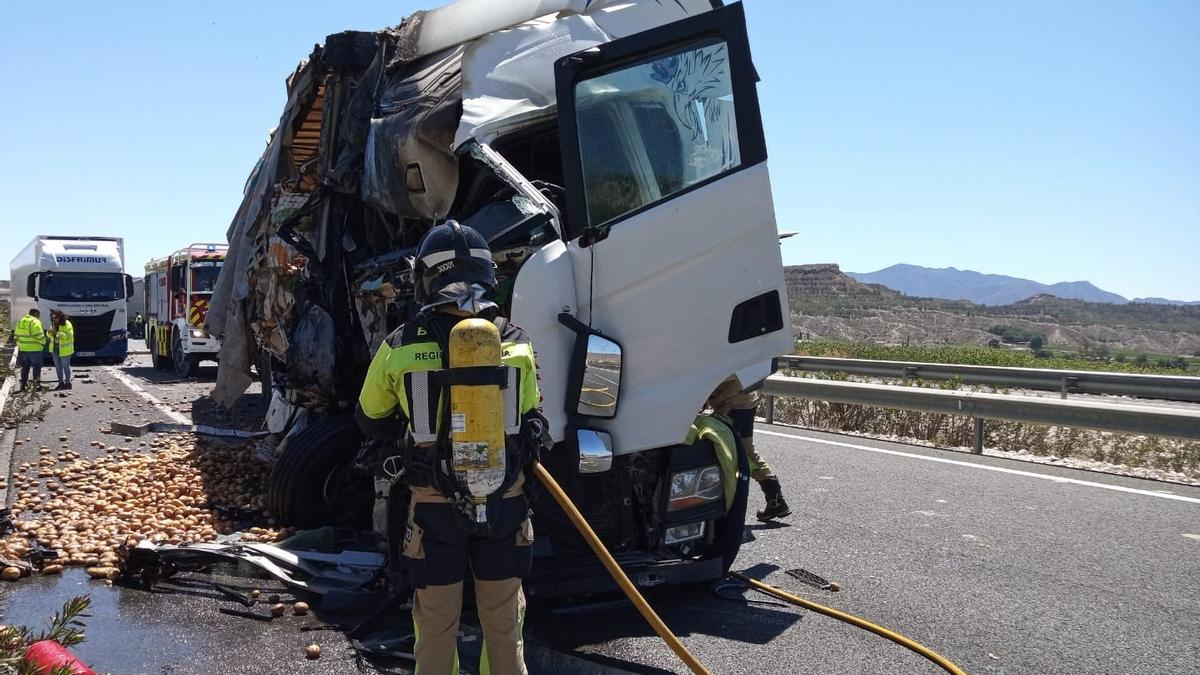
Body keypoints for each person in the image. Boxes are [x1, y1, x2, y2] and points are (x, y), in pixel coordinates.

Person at [356, 221, 549, 675]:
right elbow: (531, 417)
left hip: (434, 509)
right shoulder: (516, 341)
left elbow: (370, 417)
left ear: (426, 277)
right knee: (504, 625)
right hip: (505, 505)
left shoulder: (400, 344)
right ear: (487, 274)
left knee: (435, 623)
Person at [707, 376, 791, 521]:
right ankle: (776, 500)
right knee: (747, 452)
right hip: (747, 401)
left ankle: (719, 507)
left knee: (718, 450)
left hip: (730, 404)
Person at [14, 307, 47, 391]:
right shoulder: (35, 321)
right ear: (36, 313)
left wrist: (21, 345)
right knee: (36, 367)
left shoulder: (20, 321)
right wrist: (43, 342)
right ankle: (36, 386)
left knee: (25, 368)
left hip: (24, 349)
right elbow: (39, 334)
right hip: (35, 349)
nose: (39, 316)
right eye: (39, 314)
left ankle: (23, 386)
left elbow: (16, 336)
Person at [47, 310, 75, 390]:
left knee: (65, 366)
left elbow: (68, 335)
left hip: (65, 349)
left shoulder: (67, 324)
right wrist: (49, 332)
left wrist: (57, 333)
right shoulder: (53, 324)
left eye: (56, 317)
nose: (54, 319)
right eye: (52, 318)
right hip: (55, 348)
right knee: (58, 366)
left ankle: (68, 383)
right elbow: (49, 335)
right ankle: (60, 383)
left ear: (60, 317)